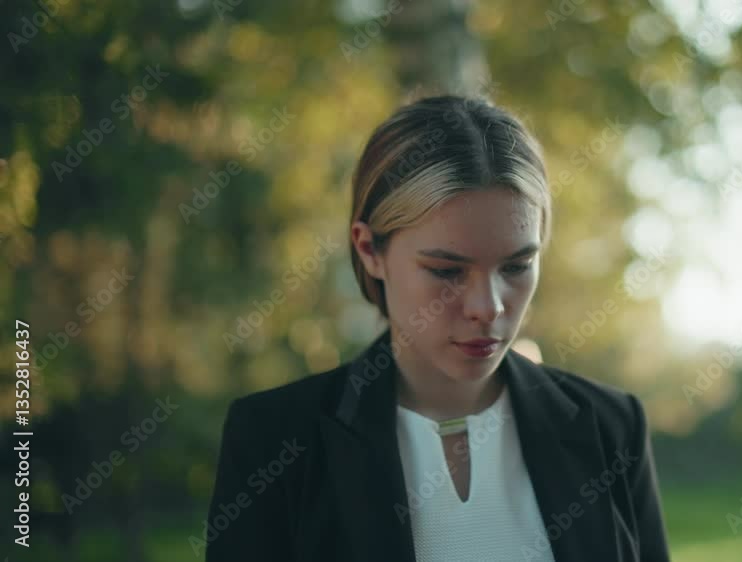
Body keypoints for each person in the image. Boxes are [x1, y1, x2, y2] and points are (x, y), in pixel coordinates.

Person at [204, 95, 671, 561]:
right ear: (369, 250)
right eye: (447, 271)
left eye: (516, 266)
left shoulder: (613, 427)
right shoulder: (274, 441)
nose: (487, 308)